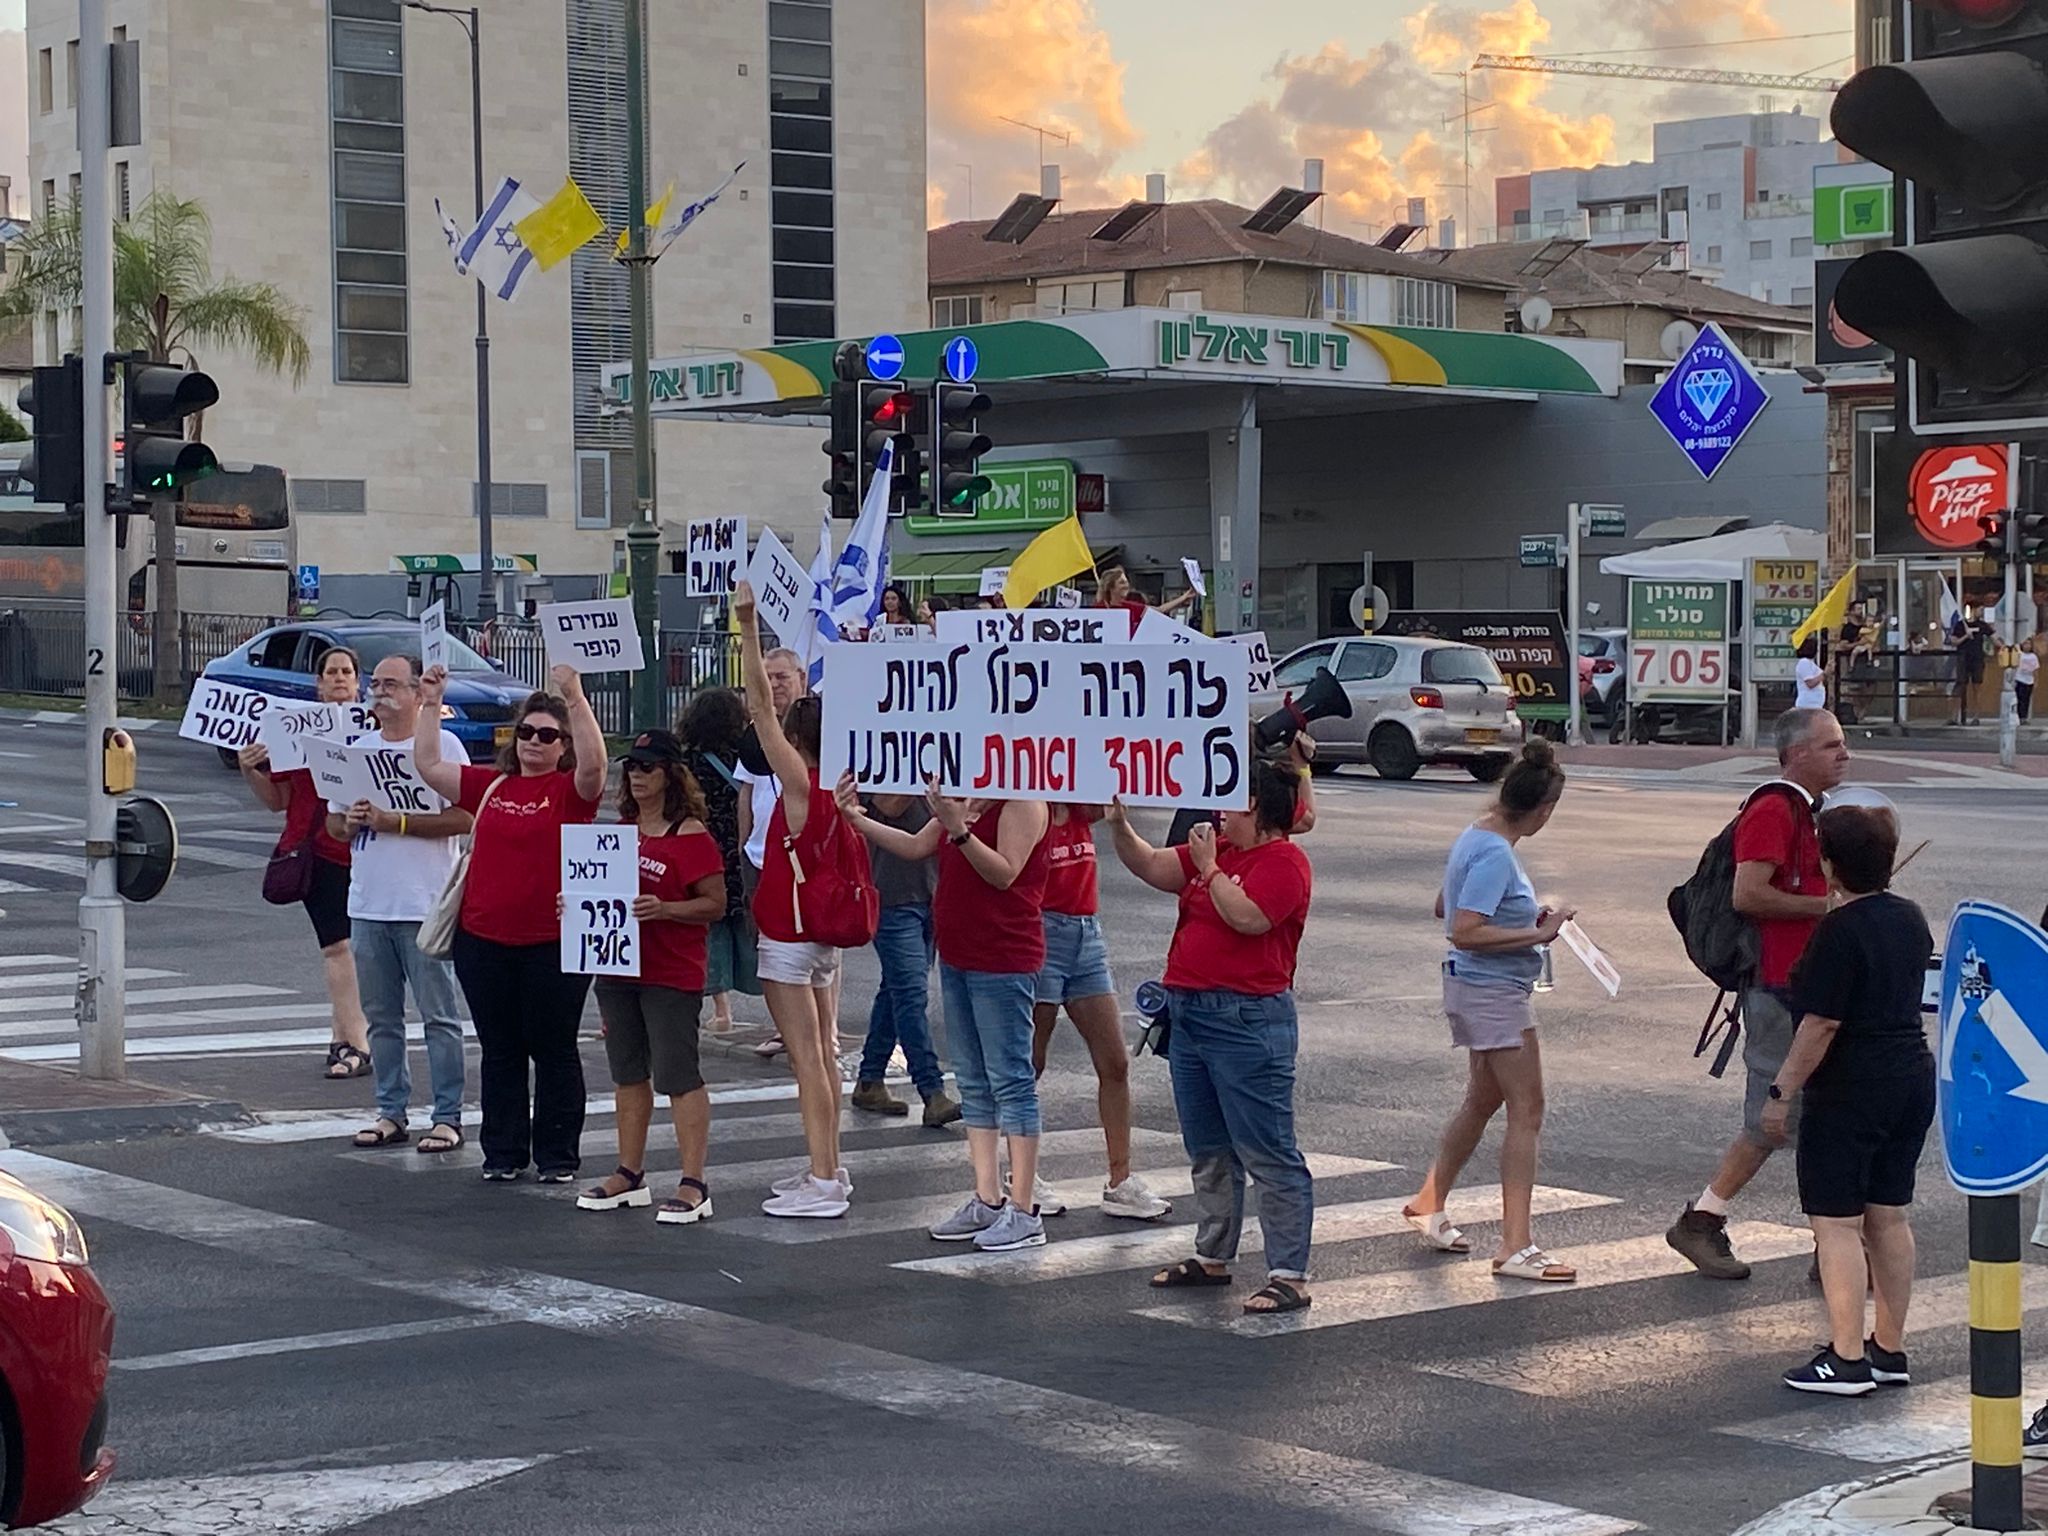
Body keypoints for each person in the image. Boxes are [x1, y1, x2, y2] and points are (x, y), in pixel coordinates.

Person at [1107, 762, 1316, 1315]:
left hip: (1247, 1018)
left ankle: (1289, 1272)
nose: (1221, 813)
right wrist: (1120, 827)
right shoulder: (1218, 847)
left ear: (1262, 812)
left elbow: (1249, 919)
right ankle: (1214, 1253)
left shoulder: (1284, 862)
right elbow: (1153, 866)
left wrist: (1209, 869)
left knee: (1267, 1147)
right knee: (1209, 1146)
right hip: (1192, 1013)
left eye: (1234, 805)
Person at [1667, 707, 1850, 1278]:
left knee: (1821, 1114)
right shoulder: (1774, 808)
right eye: (1831, 746)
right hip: (1778, 986)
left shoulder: (1808, 811)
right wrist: (1828, 908)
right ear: (1796, 754)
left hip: (1801, 984)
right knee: (1771, 1119)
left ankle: (1834, 1244)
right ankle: (1701, 1220)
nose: (1844, 755)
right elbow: (1750, 895)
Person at [837, 779, 1053, 1253]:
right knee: (974, 1081)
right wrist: (858, 819)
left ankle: (1023, 1209)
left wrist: (959, 829)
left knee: (1011, 1080)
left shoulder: (1024, 802)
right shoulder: (969, 798)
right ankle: (987, 1196)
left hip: (1003, 956)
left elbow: (1005, 872)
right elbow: (916, 846)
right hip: (959, 953)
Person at [1763, 806, 1935, 1395]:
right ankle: (1889, 1348)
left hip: (1853, 1083)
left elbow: (1820, 1025)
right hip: (1911, 1074)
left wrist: (1780, 1092)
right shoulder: (1910, 919)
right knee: (1889, 1215)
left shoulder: (1839, 931)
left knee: (1836, 1222)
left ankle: (1845, 1357)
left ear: (1830, 864)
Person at [414, 664, 606, 1184]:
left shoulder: (571, 792)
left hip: (552, 943)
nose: (533, 744)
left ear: (563, 744)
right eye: (526, 733)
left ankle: (558, 1156)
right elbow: (429, 764)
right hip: (484, 942)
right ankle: (502, 1153)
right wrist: (430, 702)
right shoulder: (492, 786)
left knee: (555, 1049)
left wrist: (575, 695)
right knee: (500, 1050)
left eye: (547, 736)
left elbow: (596, 767)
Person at [1402, 739, 1578, 1284]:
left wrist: (1521, 918)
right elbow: (1463, 928)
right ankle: (1515, 1245)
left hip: (1478, 988)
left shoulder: (1477, 834)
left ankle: (1429, 1201)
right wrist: (1538, 931)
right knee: (1528, 1109)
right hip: (1492, 993)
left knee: (1482, 1100)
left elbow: (1445, 904)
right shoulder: (1498, 853)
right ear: (1543, 810)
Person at [733, 580, 860, 1219]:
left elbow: (758, 707)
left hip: (789, 931)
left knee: (807, 1059)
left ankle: (824, 1179)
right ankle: (828, 1166)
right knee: (824, 1055)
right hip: (825, 932)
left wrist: (749, 629)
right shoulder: (844, 783)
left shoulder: (802, 781)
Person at [577, 730, 728, 1225]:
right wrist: (575, 906)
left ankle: (694, 1180)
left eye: (647, 767)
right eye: (632, 768)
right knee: (627, 1071)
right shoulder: (619, 829)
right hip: (619, 966)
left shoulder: (691, 836)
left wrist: (666, 909)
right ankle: (630, 1170)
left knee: (678, 1074)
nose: (637, 776)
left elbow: (715, 903)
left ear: (670, 773)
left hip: (670, 971)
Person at [327, 654, 473, 1155]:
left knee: (439, 1016)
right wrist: (350, 824)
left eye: (392, 684)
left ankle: (447, 1115)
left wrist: (400, 823)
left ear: (416, 694)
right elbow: (334, 820)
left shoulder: (442, 746)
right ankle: (391, 1110)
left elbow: (466, 817)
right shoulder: (358, 749)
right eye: (377, 683)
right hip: (369, 902)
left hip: (423, 902)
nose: (379, 691)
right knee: (381, 1017)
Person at [1030, 804, 1172, 1221]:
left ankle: (1120, 1180)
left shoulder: (1078, 808)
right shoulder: (1028, 810)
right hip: (1042, 931)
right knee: (1030, 1062)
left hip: (1085, 933)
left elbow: (1106, 798)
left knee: (1114, 1061)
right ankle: (1022, 1173)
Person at [236, 643, 371, 1080]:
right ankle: (358, 1043)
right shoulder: (294, 731)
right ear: (318, 684)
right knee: (338, 947)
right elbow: (278, 800)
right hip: (318, 851)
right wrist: (249, 769)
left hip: (369, 851)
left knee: (360, 952)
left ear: (357, 681)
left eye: (346, 672)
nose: (338, 679)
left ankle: (341, 1038)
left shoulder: (372, 730)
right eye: (330, 672)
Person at [735, 644, 832, 1062]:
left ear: (801, 679)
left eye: (782, 677)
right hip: (763, 857)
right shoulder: (756, 734)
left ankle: (818, 1035)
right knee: (772, 952)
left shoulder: (821, 729)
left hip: (808, 862)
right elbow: (746, 791)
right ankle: (789, 1029)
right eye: (768, 677)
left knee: (813, 954)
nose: (774, 684)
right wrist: (743, 848)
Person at [849, 791, 963, 1128]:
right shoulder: (883, 769)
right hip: (892, 898)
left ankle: (869, 1079)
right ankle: (931, 1091)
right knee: (911, 993)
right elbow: (889, 804)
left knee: (896, 991)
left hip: (930, 894)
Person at [676, 687, 758, 1034]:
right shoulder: (748, 757)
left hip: (705, 850)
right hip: (741, 849)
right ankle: (773, 998)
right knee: (752, 927)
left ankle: (721, 1009)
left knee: (713, 930)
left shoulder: (688, 762)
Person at [1096, 564, 1194, 636]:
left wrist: (1183, 598)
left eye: (1126, 582)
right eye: (1122, 583)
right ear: (1111, 587)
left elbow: (1159, 610)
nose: (1126, 586)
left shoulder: (1129, 606)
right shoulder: (1097, 610)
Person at [1794, 635, 1826, 711]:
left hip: (1815, 704)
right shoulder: (1804, 662)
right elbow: (1810, 683)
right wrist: (1825, 673)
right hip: (1808, 704)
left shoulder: (1811, 663)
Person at [2017, 637, 2038, 722]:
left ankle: (2024, 717)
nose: (2027, 646)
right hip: (2019, 679)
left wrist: (2036, 681)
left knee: (2026, 699)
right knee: (2019, 699)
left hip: (2029, 680)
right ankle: (2018, 716)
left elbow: (2035, 669)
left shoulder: (2033, 656)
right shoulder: (2019, 654)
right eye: (2025, 644)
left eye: (2029, 644)